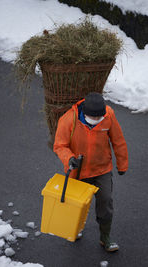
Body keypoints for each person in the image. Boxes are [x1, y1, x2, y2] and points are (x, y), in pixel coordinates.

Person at [53, 92, 128, 252]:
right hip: (78, 172)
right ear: (84, 113)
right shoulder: (68, 119)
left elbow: (118, 141)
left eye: (99, 118)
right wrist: (69, 159)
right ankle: (76, 228)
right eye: (93, 118)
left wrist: (122, 164)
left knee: (106, 202)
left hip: (102, 169)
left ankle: (105, 237)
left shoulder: (108, 115)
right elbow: (59, 145)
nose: (97, 121)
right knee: (78, 205)